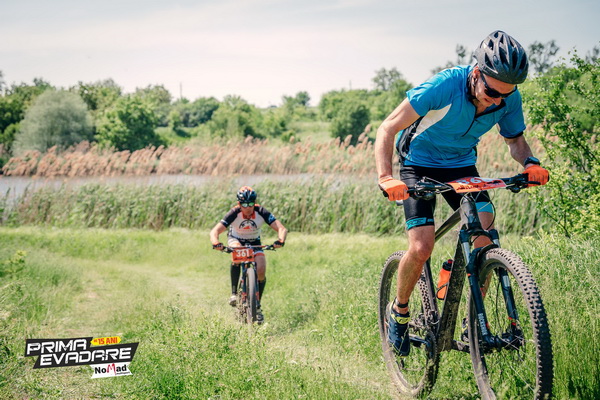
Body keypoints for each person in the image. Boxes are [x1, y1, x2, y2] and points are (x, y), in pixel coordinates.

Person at [375, 30, 549, 356]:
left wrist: (530, 162)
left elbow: (514, 140)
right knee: (422, 246)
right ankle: (398, 311)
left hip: (462, 166)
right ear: (476, 73)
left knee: (485, 232)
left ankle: (472, 320)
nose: (496, 101)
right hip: (418, 164)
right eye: (491, 92)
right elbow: (388, 127)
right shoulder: (444, 86)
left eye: (504, 96)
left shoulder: (507, 97)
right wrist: (386, 177)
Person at [210, 186, 288, 324]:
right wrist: (216, 242)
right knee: (237, 253)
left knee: (261, 269)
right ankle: (234, 294)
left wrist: (280, 240)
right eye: (244, 204)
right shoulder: (234, 212)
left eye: (251, 203)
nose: (248, 207)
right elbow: (214, 231)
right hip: (236, 239)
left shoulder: (261, 211)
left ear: (255, 203)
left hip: (254, 242)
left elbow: (281, 228)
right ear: (239, 204)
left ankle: (257, 305)